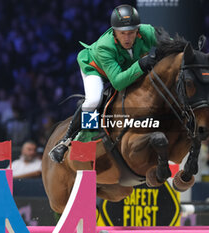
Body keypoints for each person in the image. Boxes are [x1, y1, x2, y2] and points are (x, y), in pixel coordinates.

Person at [49, 4, 161, 162]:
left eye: (131, 33)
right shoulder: (105, 46)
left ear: (138, 29)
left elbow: (170, 46)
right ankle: (66, 141)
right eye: (123, 33)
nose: (127, 38)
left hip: (124, 68)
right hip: (96, 69)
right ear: (114, 31)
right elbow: (118, 83)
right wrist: (141, 64)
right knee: (94, 100)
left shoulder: (147, 31)